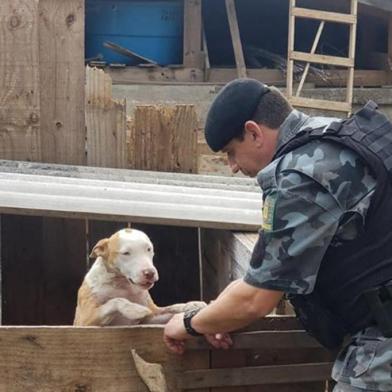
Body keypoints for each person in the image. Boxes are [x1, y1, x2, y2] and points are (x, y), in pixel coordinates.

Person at [163, 78, 392, 392]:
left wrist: (189, 323)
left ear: (254, 132)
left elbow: (257, 298)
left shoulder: (298, 175)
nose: (231, 166)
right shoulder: (339, 133)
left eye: (231, 152)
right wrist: (217, 316)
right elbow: (271, 265)